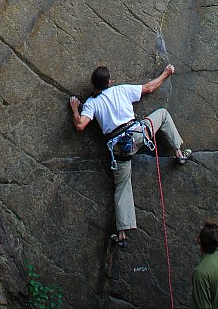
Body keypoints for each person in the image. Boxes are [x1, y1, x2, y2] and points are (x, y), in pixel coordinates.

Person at [69, 64, 190, 246]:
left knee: (122, 185)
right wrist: (166, 73)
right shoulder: (121, 90)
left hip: (119, 148)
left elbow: (80, 125)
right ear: (109, 81)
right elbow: (149, 88)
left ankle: (123, 234)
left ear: (94, 86)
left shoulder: (92, 103)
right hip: (139, 134)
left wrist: (75, 108)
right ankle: (179, 152)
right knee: (163, 114)